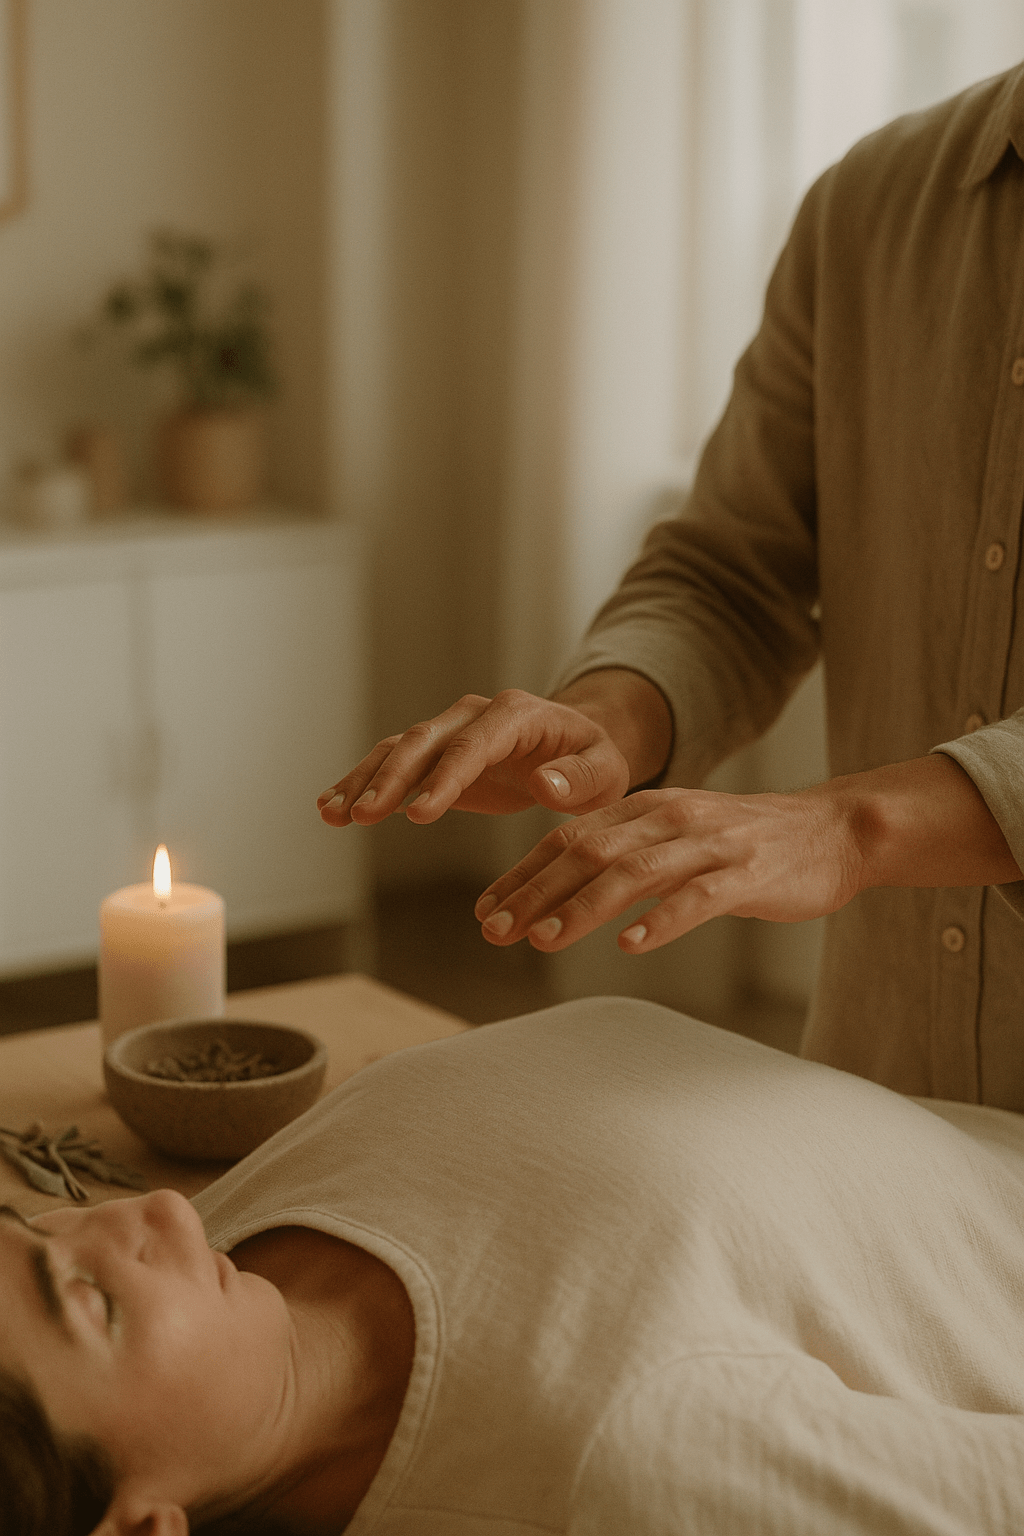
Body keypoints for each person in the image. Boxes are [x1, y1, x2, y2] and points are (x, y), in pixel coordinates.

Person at [319, 61, 1024, 1112]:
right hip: (878, 1091)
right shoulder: (871, 202)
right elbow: (730, 570)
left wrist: (855, 827)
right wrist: (609, 721)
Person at [5, 996, 1024, 1536]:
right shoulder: (626, 1464)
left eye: (36, 1230)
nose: (147, 1212)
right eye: (93, 1303)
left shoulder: (234, 1262)